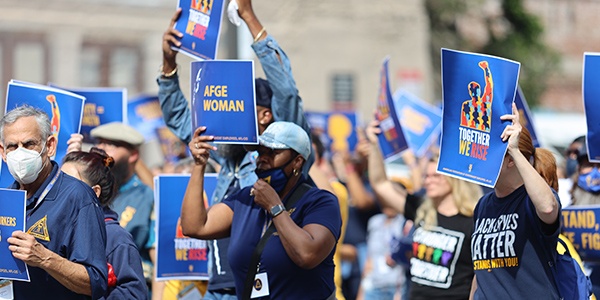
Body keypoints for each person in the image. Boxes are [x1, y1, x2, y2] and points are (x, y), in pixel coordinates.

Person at [158, 0, 313, 297]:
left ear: (264, 115)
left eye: (238, 107)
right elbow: (179, 118)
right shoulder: (229, 156)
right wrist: (168, 63)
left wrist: (249, 17)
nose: (226, 114)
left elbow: (287, 91)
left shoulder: (286, 156)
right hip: (220, 287)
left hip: (267, 287)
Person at [182, 121, 341, 299]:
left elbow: (307, 255)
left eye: (272, 152)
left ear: (297, 161)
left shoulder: (320, 202)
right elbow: (194, 227)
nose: (262, 158)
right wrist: (199, 165)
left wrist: (275, 208)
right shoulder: (245, 199)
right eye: (261, 152)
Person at [365, 119, 482, 299]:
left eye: (436, 176)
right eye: (426, 176)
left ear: (455, 179)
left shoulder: (473, 220)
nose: (428, 181)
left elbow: (479, 276)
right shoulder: (421, 209)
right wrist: (375, 144)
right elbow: (380, 184)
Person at [0, 105, 107, 299]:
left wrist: (44, 258)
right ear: (3, 152)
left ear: (49, 146)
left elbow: (95, 282)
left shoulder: (77, 196)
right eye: (13, 147)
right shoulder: (5, 199)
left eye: (29, 144)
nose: (20, 153)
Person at [469, 103, 561, 299]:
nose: (481, 157)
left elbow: (547, 208)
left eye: (489, 152)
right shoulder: (483, 205)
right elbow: (482, 270)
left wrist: (516, 151)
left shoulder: (531, 201)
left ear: (510, 160)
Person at [62, 147, 148, 300]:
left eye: (69, 183)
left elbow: (134, 294)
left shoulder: (116, 238)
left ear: (94, 192)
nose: (60, 189)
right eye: (59, 181)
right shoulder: (58, 228)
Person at [87, 122, 154, 274]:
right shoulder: (89, 191)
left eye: (111, 145)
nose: (102, 150)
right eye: (100, 143)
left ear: (133, 155)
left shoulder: (146, 196)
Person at [569, 138, 600, 297]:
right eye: (589, 165)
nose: (595, 172)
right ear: (579, 168)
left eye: (599, 165)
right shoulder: (563, 204)